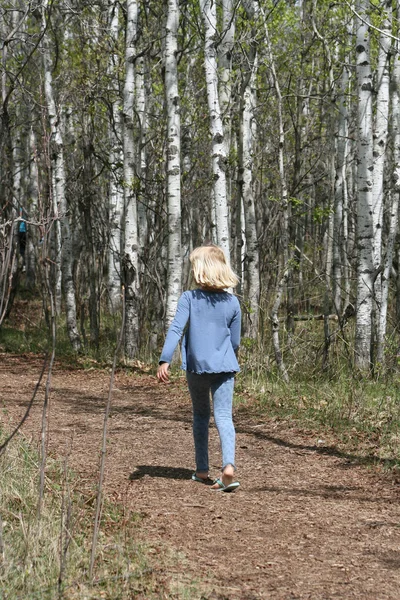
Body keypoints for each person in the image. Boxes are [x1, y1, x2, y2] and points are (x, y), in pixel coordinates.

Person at [157, 244, 241, 492]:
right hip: (225, 368)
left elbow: (175, 329)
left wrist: (165, 359)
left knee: (201, 416)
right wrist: (224, 355)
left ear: (200, 271)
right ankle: (228, 467)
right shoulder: (233, 303)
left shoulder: (189, 298)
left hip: (197, 369)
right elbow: (235, 342)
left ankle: (202, 469)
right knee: (224, 417)